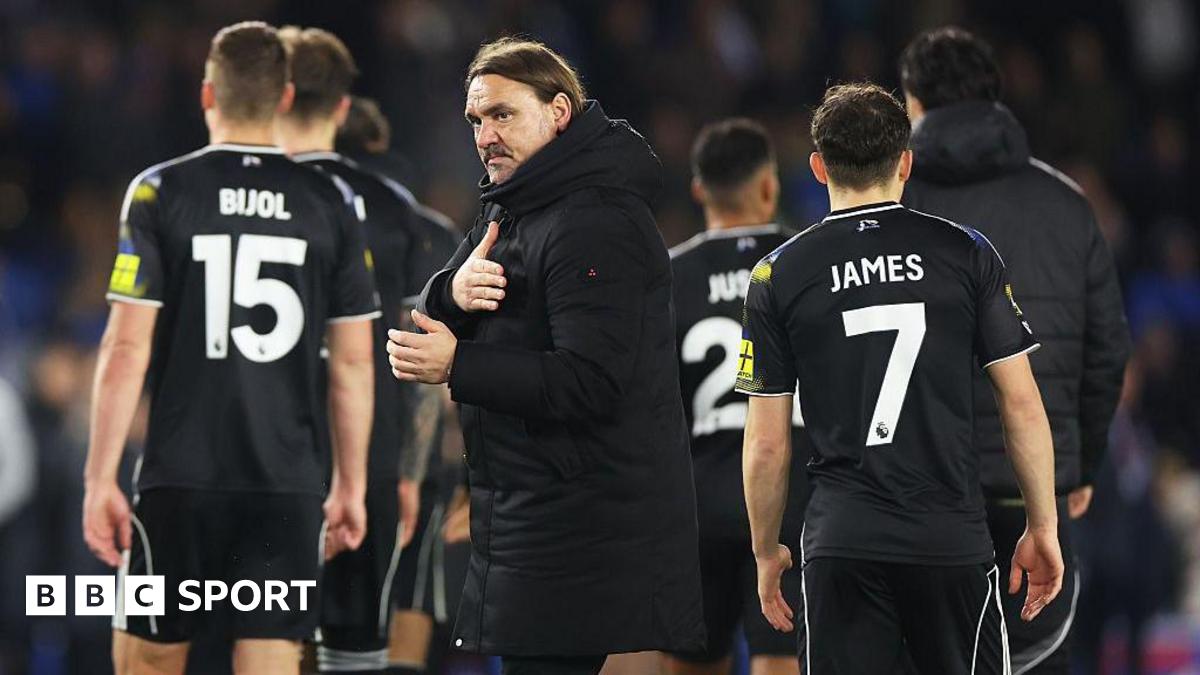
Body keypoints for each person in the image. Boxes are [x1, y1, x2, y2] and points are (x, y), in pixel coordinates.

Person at [386, 37, 706, 675]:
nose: (484, 136)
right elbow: (426, 306)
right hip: (536, 513)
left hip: (583, 528)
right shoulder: (516, 205)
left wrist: (459, 366)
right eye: (476, 120)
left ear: (558, 111)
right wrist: (449, 290)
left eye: (503, 114)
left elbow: (592, 380)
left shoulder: (595, 220)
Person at [737, 82, 1064, 674]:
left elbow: (765, 442)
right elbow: (1022, 404)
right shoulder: (967, 253)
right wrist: (1042, 524)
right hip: (949, 537)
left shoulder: (776, 274)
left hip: (842, 538)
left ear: (817, 167)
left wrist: (765, 550)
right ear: (906, 163)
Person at [82, 21, 378, 675]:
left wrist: (99, 476)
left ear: (207, 95)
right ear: (283, 97)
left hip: (178, 477)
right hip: (286, 481)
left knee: (151, 659)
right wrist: (350, 484)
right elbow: (354, 362)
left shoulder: (159, 191)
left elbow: (126, 345)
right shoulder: (332, 201)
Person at [899, 27, 1131, 673]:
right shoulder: (1066, 203)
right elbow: (1108, 345)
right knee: (1035, 652)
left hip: (924, 486)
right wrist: (1080, 460)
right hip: (1036, 483)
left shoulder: (895, 204)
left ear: (914, 102)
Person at [335, 94, 472, 675]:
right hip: (403, 461)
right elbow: (444, 368)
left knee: (310, 635)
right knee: (405, 614)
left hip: (310, 455)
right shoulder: (428, 232)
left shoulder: (310, 212)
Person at [664, 119, 805, 675]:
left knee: (692, 663)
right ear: (769, 186)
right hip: (791, 498)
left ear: (699, 190)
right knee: (779, 657)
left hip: (695, 505)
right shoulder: (806, 264)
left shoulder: (668, 277)